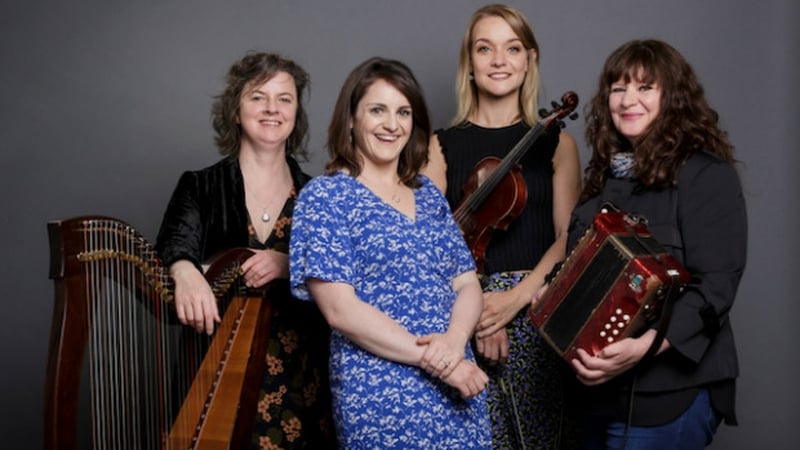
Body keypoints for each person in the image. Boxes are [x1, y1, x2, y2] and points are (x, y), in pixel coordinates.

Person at [289, 57, 491, 449]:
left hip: (460, 383)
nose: (391, 124)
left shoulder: (428, 195)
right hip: (382, 395)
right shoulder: (326, 198)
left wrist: (453, 341)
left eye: (403, 112)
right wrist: (436, 361)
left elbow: (467, 282)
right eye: (377, 110)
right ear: (350, 118)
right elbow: (340, 310)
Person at [561, 39, 747, 449]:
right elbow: (577, 269)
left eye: (646, 87)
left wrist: (645, 348)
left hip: (670, 394)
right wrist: (553, 293)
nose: (629, 99)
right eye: (618, 88)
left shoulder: (706, 176)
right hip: (594, 397)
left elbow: (716, 286)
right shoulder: (601, 184)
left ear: (673, 98)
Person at [155, 52, 335, 449]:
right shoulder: (200, 187)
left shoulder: (318, 195)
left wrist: (287, 263)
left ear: (296, 115)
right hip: (218, 372)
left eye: (284, 99)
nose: (272, 108)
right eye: (258, 96)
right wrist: (185, 271)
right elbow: (174, 244)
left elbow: (343, 272)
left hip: (304, 375)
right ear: (236, 111)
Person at [423, 4, 582, 448]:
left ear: (529, 60)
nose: (498, 60)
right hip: (462, 310)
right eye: (484, 48)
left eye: (512, 48)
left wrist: (514, 301)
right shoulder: (440, 145)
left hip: (536, 306)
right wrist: (479, 313)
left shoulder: (557, 141)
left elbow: (569, 238)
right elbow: (435, 241)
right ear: (469, 64)